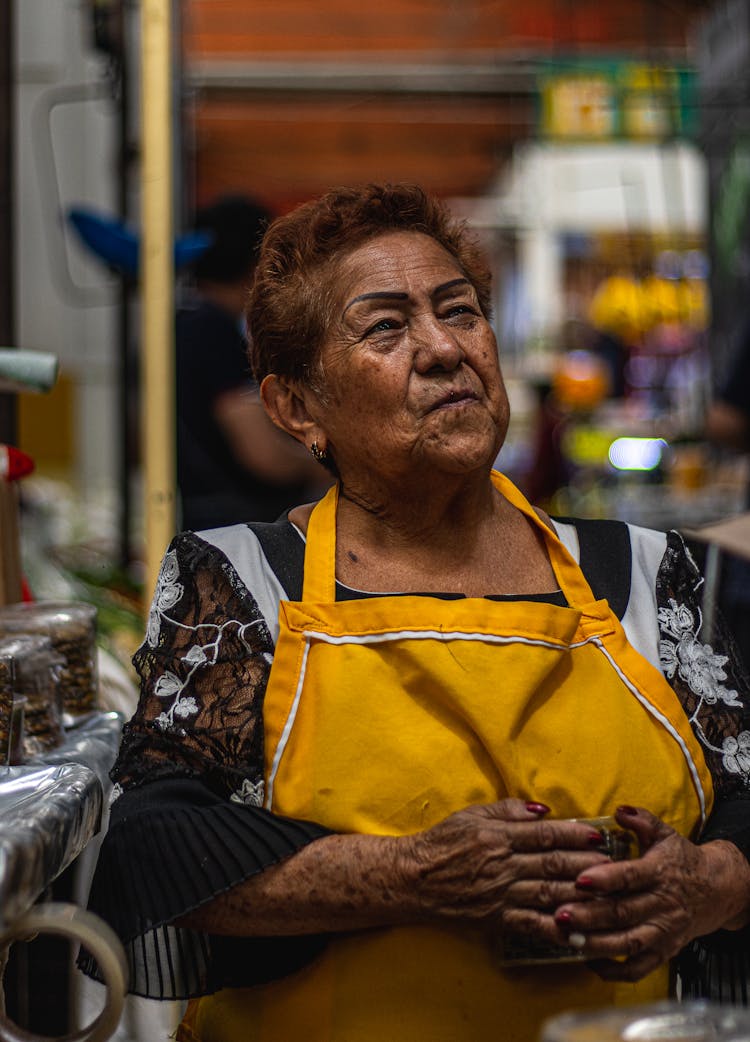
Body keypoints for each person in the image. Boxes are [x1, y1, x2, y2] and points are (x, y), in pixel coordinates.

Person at [84, 184, 750, 1042]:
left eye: (461, 312)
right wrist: (410, 876)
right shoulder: (242, 583)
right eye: (386, 327)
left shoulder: (648, 574)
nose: (444, 349)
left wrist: (710, 882)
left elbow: (742, 797)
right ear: (297, 406)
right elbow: (150, 844)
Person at [176, 194, 327, 530]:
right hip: (229, 522)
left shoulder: (180, 322)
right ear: (257, 264)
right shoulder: (210, 328)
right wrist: (330, 463)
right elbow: (263, 455)